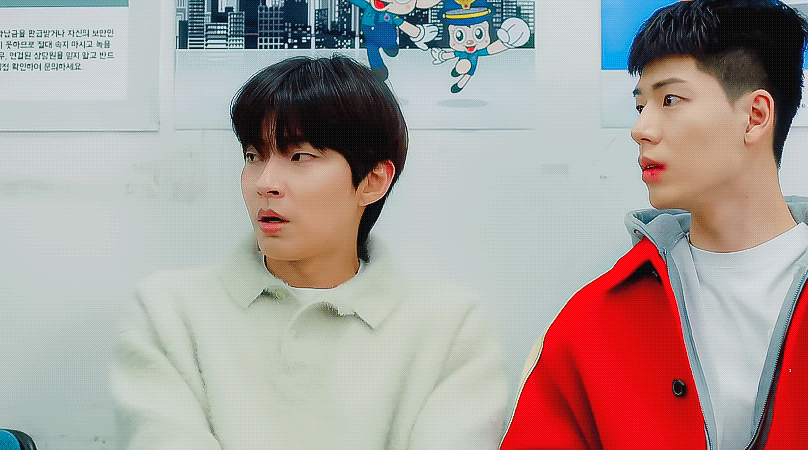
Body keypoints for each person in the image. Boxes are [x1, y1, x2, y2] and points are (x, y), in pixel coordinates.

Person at [501, 1, 808, 448]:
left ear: (756, 115)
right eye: (640, 105)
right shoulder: (590, 322)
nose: (640, 129)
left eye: (669, 100)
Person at [112, 55, 510, 449]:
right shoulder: (168, 311)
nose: (265, 183)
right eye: (254, 156)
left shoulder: (450, 325)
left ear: (372, 181)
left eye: (299, 156)